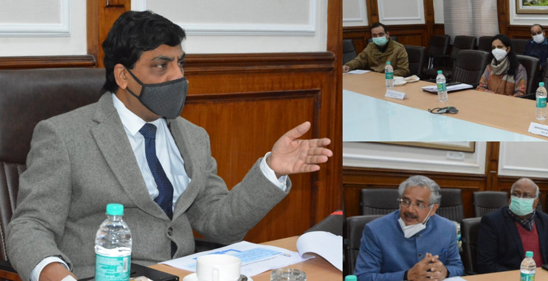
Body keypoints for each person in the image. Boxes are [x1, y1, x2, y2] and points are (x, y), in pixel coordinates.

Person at [6, 11, 333, 281]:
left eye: (180, 63)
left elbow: (219, 223)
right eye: (161, 65)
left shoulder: (192, 136)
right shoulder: (64, 135)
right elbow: (29, 226)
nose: (178, 77)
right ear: (123, 76)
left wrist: (271, 170)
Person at [354, 176, 464, 281]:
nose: (410, 210)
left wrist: (445, 271)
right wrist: (407, 275)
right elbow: (363, 277)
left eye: (419, 204)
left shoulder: (447, 228)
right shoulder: (375, 230)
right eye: (406, 202)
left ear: (433, 209)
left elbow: (458, 267)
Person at [476, 178, 548, 274]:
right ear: (510, 198)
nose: (520, 198)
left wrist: (544, 275)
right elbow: (486, 265)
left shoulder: (545, 220)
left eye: (526, 195)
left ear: (535, 202)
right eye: (516, 194)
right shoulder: (493, 221)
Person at [343, 22, 410, 77]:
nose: (378, 37)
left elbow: (403, 71)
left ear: (387, 34)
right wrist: (348, 66)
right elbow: (360, 60)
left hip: (390, 80)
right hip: (373, 80)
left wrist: (384, 75)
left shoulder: (399, 48)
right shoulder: (370, 46)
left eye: (381, 34)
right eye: (375, 35)